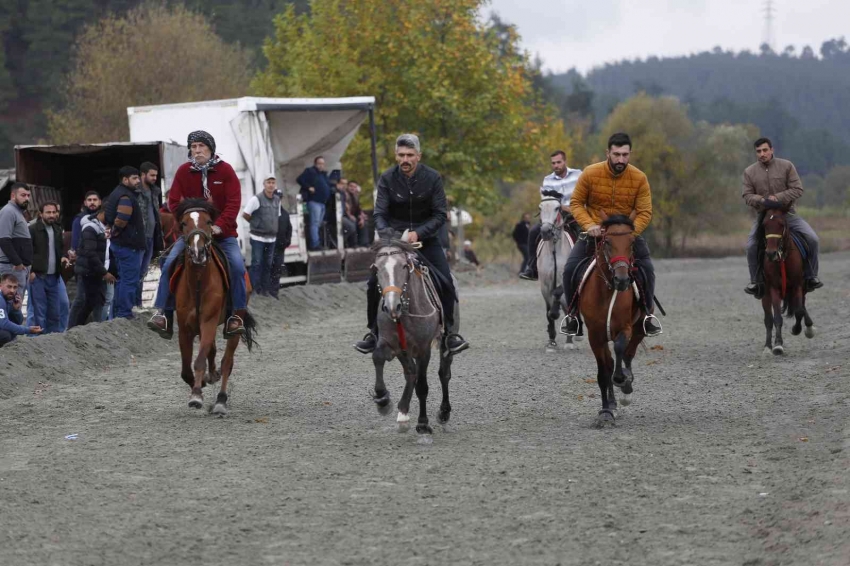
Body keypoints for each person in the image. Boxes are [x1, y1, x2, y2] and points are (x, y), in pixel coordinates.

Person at [354, 134, 470, 355]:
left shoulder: (433, 178)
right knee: (372, 284)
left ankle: (450, 335)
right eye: (401, 155)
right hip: (395, 242)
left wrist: (419, 233)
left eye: (409, 155)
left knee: (446, 281)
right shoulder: (387, 178)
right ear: (396, 155)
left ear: (419, 156)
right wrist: (390, 235)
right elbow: (379, 214)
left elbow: (439, 215)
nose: (405, 159)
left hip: (425, 241)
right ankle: (373, 332)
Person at [147, 130, 248, 339]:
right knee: (168, 263)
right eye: (193, 147)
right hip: (192, 235)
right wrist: (187, 222)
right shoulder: (184, 171)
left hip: (223, 235)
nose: (197, 150)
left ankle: (236, 316)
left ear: (210, 149)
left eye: (201, 146)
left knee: (237, 267)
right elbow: (173, 201)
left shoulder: (226, 171)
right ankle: (163, 315)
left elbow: (233, 203)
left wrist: (218, 226)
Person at [561, 132, 662, 337]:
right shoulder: (590, 173)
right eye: (616, 154)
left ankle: (647, 316)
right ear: (608, 152)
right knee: (570, 268)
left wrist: (630, 233)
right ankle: (572, 317)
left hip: (627, 236)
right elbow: (576, 203)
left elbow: (645, 211)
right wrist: (589, 225)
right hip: (594, 234)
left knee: (648, 270)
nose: (621, 160)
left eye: (625, 155)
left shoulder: (639, 178)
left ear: (630, 154)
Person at [743, 137, 822, 297]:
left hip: (788, 215)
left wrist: (777, 197)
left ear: (772, 150)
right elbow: (747, 195)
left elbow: (797, 189)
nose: (762, 154)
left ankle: (810, 276)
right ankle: (756, 282)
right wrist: (761, 200)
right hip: (764, 217)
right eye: (758, 151)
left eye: (765, 150)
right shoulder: (749, 172)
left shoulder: (786, 166)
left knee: (813, 239)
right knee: (751, 246)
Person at [519, 150, 582, 280]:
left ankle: (586, 267)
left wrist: (570, 209)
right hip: (554, 217)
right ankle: (533, 269)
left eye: (559, 162)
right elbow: (546, 201)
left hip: (574, 216)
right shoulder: (548, 180)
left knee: (587, 234)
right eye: (553, 163)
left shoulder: (578, 175)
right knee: (534, 232)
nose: (556, 165)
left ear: (565, 161)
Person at [104, 166, 146, 319]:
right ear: (125, 179)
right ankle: (125, 314)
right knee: (129, 281)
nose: (138, 181)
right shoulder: (126, 196)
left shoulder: (117, 193)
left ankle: (117, 315)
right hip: (129, 246)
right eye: (134, 178)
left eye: (138, 178)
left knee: (122, 280)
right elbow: (122, 218)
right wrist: (115, 232)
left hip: (122, 244)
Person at [27, 201, 68, 334]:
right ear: (41, 214)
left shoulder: (57, 229)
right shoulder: (33, 229)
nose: (51, 215)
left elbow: (59, 249)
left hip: (54, 277)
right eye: (48, 212)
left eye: (54, 212)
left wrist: (63, 257)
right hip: (38, 276)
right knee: (39, 312)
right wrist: (30, 270)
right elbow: (27, 252)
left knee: (55, 312)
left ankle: (53, 341)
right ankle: (38, 342)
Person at [73, 209, 118, 327]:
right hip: (90, 271)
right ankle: (74, 328)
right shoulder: (90, 228)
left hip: (99, 271)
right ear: (103, 212)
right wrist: (104, 273)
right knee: (86, 302)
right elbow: (90, 253)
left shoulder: (105, 227)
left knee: (100, 301)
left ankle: (97, 327)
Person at [242, 176, 281, 296]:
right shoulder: (256, 199)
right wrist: (256, 224)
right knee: (257, 263)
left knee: (268, 264)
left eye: (273, 182)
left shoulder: (277, 200)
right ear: (264, 184)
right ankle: (253, 289)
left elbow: (277, 216)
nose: (271, 185)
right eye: (268, 182)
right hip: (257, 237)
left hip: (271, 238)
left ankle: (265, 290)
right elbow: (246, 214)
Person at [68, 191, 102, 327]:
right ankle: (71, 327)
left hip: (99, 265)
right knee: (81, 298)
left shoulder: (103, 219)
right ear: (85, 202)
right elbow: (75, 243)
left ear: (100, 202)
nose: (92, 202)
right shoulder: (79, 220)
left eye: (95, 199)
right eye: (89, 200)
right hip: (84, 265)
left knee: (98, 298)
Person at [136, 162, 164, 307]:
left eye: (156, 176)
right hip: (139, 238)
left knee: (143, 272)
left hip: (151, 237)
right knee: (135, 272)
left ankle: (139, 304)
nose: (154, 178)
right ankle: (132, 305)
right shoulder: (135, 191)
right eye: (152, 175)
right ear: (143, 174)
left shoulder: (155, 192)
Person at [0, 183, 33, 298]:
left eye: (28, 195)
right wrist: (17, 263)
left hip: (18, 268)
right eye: (23, 195)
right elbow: (4, 240)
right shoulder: (8, 211)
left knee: (15, 307)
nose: (27, 199)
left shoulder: (18, 213)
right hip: (12, 267)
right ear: (13, 196)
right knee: (11, 306)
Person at [296, 156, 332, 250]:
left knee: (318, 224)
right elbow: (299, 179)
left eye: (322, 164)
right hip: (314, 201)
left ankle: (316, 243)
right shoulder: (310, 171)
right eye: (319, 163)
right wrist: (308, 187)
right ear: (315, 164)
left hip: (322, 203)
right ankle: (315, 245)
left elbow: (329, 185)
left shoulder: (323, 174)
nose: (321, 165)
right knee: (315, 223)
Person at [0, 273, 41, 346]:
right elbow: (4, 323)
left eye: (15, 287)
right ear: (1, 286)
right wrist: (28, 330)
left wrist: (16, 310)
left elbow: (18, 322)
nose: (12, 290)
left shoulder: (8, 299)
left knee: (11, 333)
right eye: (9, 287)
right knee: (5, 335)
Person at [269, 197, 293, 300]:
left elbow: (289, 229)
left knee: (277, 270)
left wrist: (287, 241)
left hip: (280, 247)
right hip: (269, 247)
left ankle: (274, 293)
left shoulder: (285, 214)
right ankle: (265, 292)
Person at [342, 181, 370, 248]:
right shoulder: (345, 195)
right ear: (347, 187)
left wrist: (361, 218)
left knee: (364, 223)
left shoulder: (355, 196)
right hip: (345, 216)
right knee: (353, 221)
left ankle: (364, 243)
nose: (352, 188)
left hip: (353, 216)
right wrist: (350, 216)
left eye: (354, 187)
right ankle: (353, 244)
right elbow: (346, 208)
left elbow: (358, 210)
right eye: (351, 186)